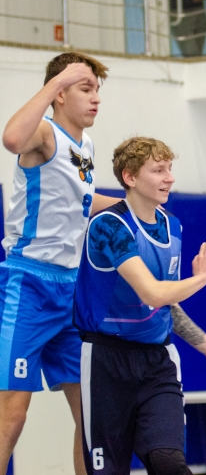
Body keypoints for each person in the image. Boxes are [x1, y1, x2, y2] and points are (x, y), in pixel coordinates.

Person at [73, 136, 206, 475]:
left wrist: (205, 344)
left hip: (157, 362)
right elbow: (152, 293)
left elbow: (165, 303)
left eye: (170, 169)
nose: (169, 178)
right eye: (158, 170)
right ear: (130, 177)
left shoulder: (173, 226)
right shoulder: (109, 226)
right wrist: (202, 279)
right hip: (106, 361)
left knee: (168, 462)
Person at [0, 52, 119, 475]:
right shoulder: (44, 134)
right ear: (61, 93)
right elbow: (11, 138)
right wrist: (54, 82)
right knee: (12, 416)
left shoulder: (85, 146)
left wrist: (130, 205)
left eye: (97, 90)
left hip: (70, 289)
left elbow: (83, 202)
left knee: (91, 416)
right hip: (29, 282)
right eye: (86, 88)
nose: (96, 98)